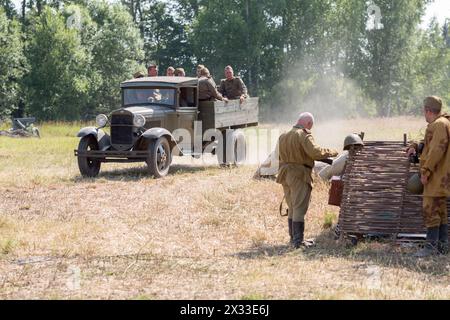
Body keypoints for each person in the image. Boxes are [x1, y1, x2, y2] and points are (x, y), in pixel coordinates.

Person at [276, 112, 338, 248]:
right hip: (299, 174)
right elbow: (315, 152)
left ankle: (293, 240)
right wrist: (333, 152)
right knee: (299, 207)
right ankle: (298, 242)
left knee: (292, 206)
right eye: (311, 126)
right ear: (308, 124)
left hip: (284, 174)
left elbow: (279, 156)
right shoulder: (303, 134)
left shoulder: (283, 135)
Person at [407, 96, 449, 257]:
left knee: (430, 210)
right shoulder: (443, 123)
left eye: (424, 111)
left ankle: (431, 248)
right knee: (441, 211)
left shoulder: (438, 125)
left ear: (427, 110)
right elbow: (430, 144)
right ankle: (443, 247)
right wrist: (416, 146)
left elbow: (437, 150)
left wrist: (426, 172)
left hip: (436, 176)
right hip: (442, 177)